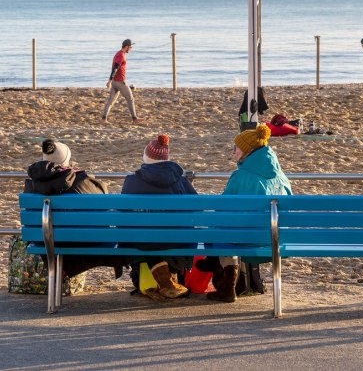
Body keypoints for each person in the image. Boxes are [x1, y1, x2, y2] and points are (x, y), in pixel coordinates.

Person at [199, 123, 293, 302]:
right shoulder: (280, 175)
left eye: (236, 148)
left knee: (223, 229)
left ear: (247, 151)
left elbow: (223, 208)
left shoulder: (241, 176)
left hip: (248, 238)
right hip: (276, 237)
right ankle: (219, 270)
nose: (233, 151)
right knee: (232, 227)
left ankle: (226, 284)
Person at [24, 139, 127, 280]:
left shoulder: (31, 186)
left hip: (45, 241)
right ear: (67, 159)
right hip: (85, 240)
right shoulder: (82, 181)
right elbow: (104, 207)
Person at [121, 133, 197, 299]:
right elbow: (195, 211)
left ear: (147, 156)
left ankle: (163, 282)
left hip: (142, 240)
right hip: (176, 240)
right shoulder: (181, 181)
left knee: (144, 234)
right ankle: (168, 281)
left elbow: (123, 214)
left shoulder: (132, 181)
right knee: (165, 234)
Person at [101, 39, 142, 124]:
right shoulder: (121, 56)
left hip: (115, 82)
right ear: (126, 46)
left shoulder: (119, 53)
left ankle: (103, 119)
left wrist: (111, 81)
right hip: (120, 82)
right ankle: (135, 119)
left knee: (110, 101)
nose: (131, 49)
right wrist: (109, 80)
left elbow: (115, 68)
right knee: (130, 99)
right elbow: (115, 68)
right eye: (130, 47)